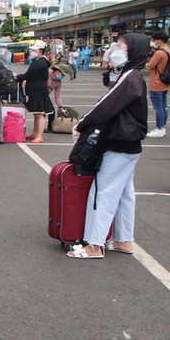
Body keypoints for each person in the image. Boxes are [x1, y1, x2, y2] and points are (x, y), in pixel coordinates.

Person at [67, 33, 148, 259]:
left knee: (102, 191)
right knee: (123, 193)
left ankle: (94, 244)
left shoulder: (131, 78)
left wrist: (82, 123)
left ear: (132, 51)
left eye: (120, 46)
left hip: (120, 142)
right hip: (128, 143)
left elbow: (106, 106)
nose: (114, 50)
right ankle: (123, 240)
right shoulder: (130, 75)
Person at [17, 40, 53, 144]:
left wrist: (18, 77)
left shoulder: (40, 62)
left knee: (40, 113)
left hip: (38, 91)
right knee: (36, 113)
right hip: (35, 91)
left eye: (34, 50)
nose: (31, 52)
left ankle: (39, 136)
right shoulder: (38, 61)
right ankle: (35, 133)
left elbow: (28, 75)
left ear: (40, 51)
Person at [145, 31, 169, 138]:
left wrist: (146, 63)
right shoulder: (168, 50)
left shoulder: (159, 53)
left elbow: (150, 66)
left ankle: (159, 128)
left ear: (159, 40)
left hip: (156, 82)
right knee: (163, 107)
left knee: (158, 108)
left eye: (155, 40)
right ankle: (162, 127)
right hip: (165, 82)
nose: (154, 42)